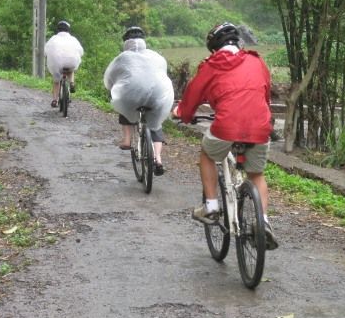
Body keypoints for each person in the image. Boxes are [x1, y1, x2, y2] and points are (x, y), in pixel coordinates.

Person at [172, 22, 277, 249]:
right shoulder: (256, 61)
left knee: (207, 154)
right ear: (238, 42)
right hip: (259, 125)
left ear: (214, 47)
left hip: (226, 126)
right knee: (256, 174)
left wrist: (183, 114)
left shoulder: (211, 65)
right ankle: (264, 222)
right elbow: (266, 94)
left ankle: (211, 206)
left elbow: (192, 98)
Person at [104, 26, 174, 176]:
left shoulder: (122, 58)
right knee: (155, 123)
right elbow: (162, 74)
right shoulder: (155, 56)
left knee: (123, 101)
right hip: (158, 94)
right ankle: (158, 159)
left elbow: (109, 79)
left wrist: (112, 90)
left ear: (126, 42)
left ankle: (127, 140)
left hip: (131, 96)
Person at [44, 20, 84, 108]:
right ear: (68, 30)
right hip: (71, 62)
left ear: (58, 30)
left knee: (56, 81)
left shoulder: (53, 38)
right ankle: (72, 83)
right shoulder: (73, 39)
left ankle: (55, 100)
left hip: (57, 63)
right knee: (71, 70)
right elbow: (81, 51)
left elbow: (46, 50)